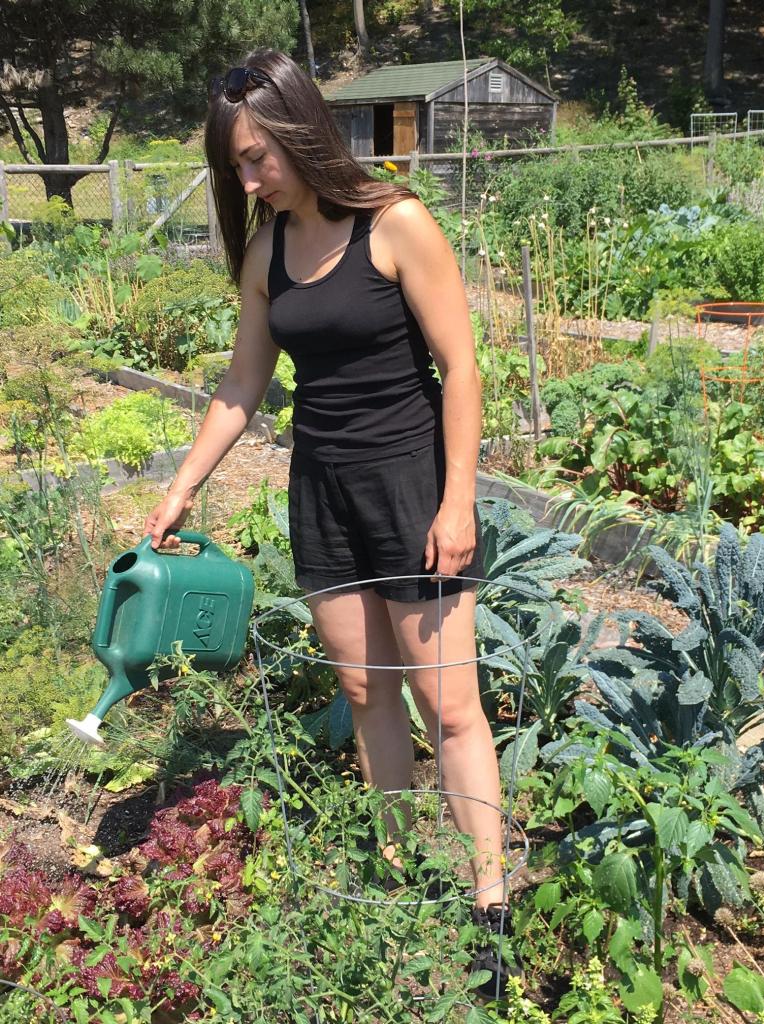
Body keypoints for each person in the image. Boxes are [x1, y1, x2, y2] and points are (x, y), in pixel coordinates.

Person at [143, 49, 516, 997]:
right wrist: (185, 483)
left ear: (304, 132)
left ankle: (490, 904)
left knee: (449, 703)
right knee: (363, 688)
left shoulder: (396, 223)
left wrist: (458, 497)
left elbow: (462, 368)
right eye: (237, 163)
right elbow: (244, 381)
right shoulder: (268, 250)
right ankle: (397, 874)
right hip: (324, 491)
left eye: (259, 156)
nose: (249, 177)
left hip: (410, 486)